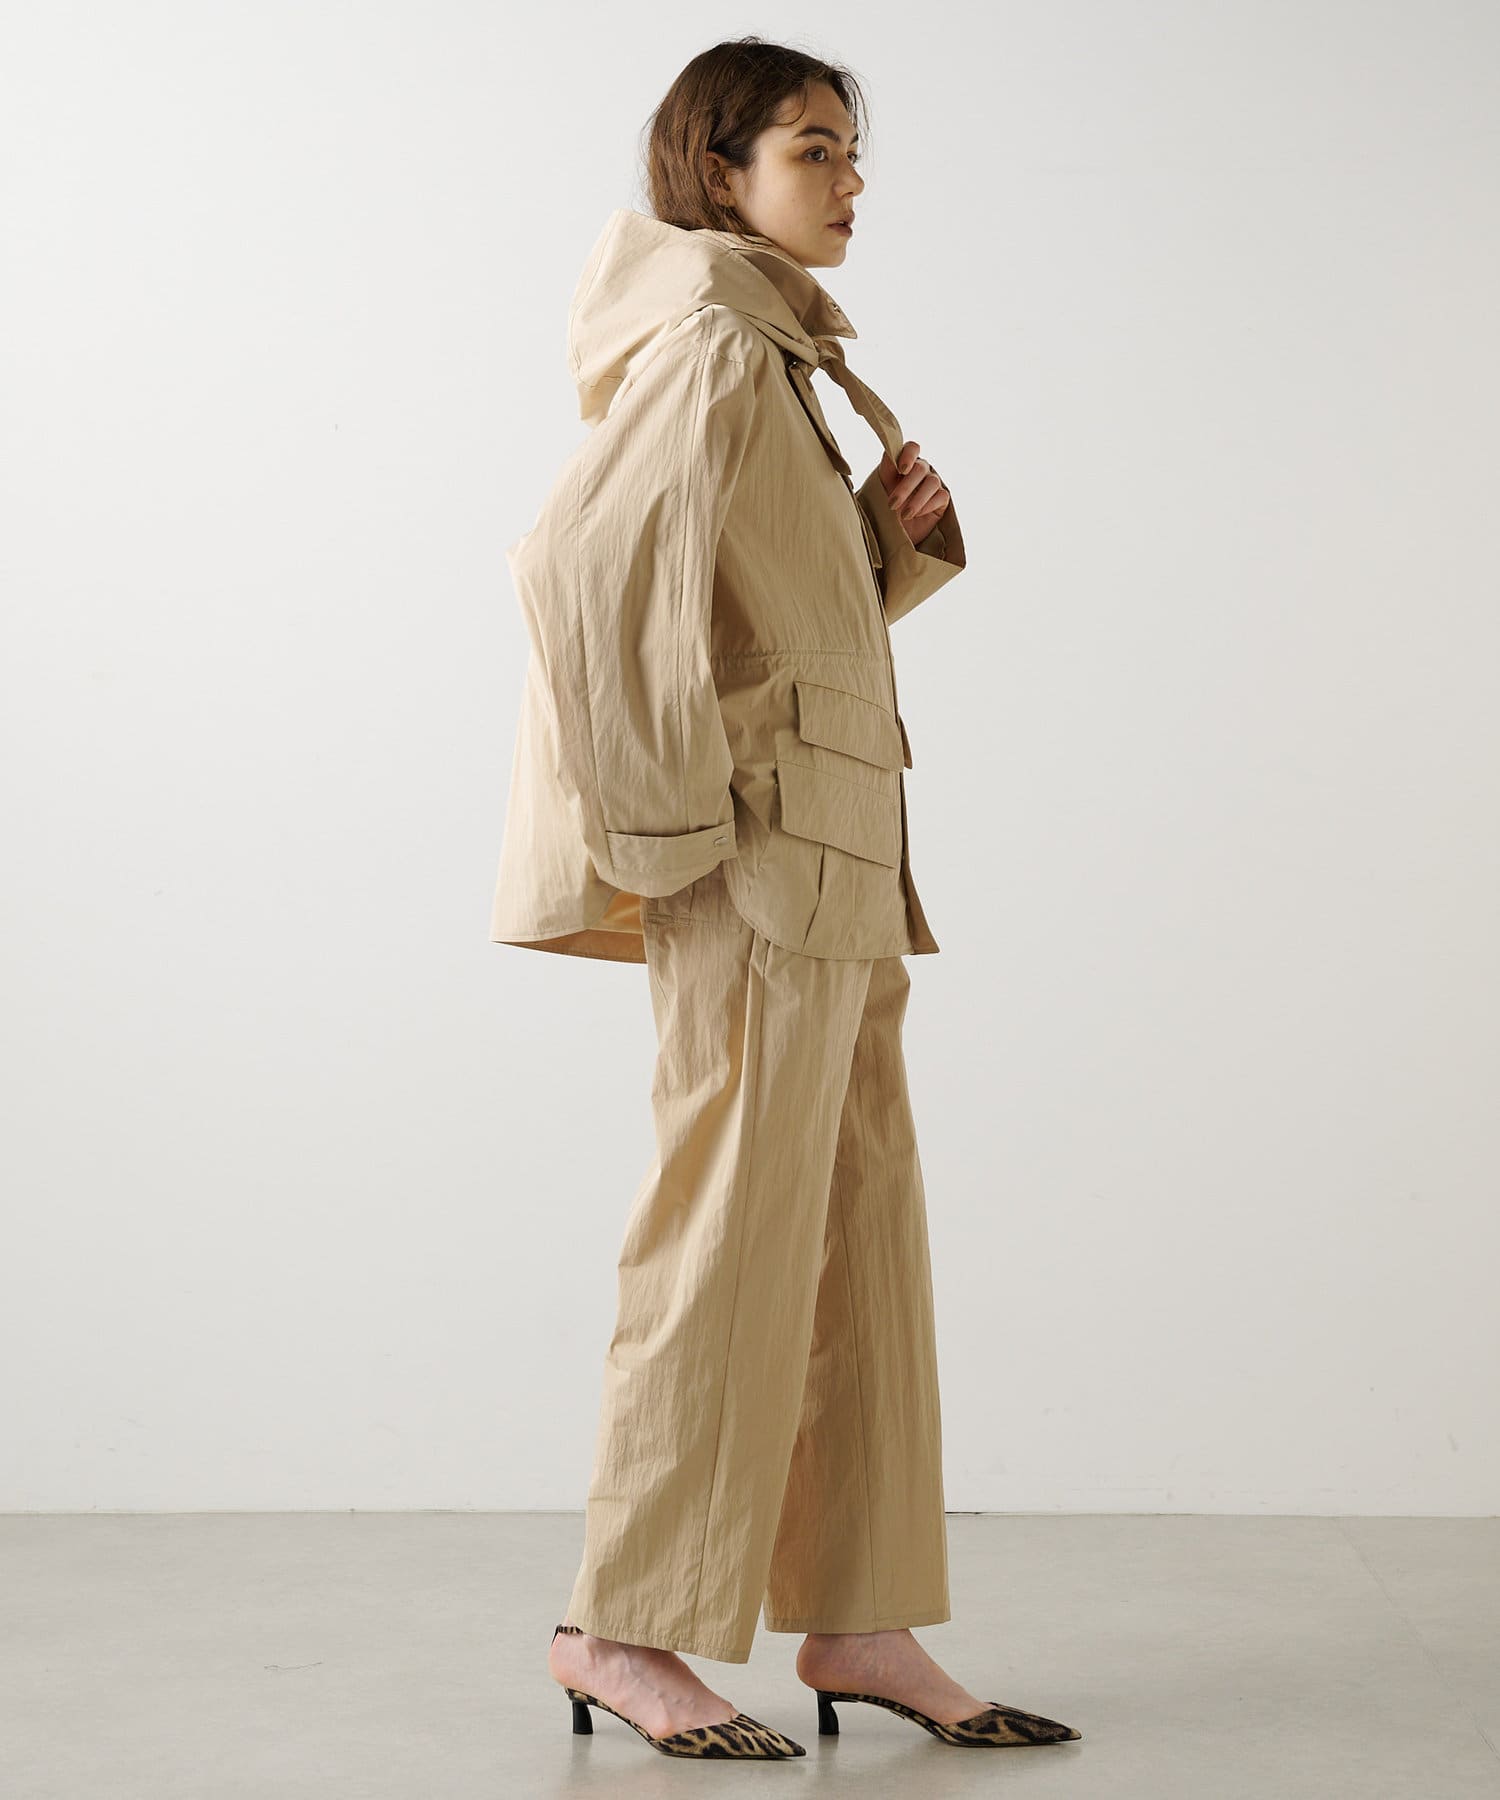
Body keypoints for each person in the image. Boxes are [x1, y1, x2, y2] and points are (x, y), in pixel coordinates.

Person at [490, 35, 1082, 1763]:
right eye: (813, 147)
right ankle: (619, 1629)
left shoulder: (772, 360)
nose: (849, 178)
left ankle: (856, 1614)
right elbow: (579, 572)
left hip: (832, 865)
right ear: (718, 171)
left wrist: (879, 553)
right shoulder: (711, 349)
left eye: (849, 149)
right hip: (757, 868)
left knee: (853, 1238)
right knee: (727, 1243)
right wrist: (674, 828)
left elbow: (755, 628)